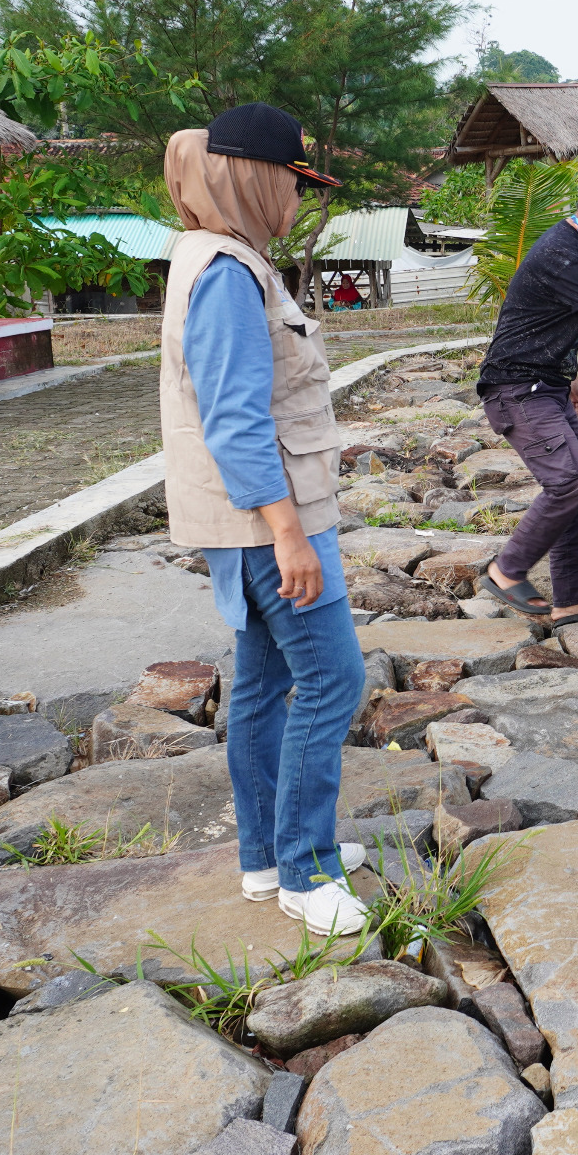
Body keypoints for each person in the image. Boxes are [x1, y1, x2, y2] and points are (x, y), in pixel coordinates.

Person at [161, 103, 372, 939]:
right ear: (255, 176)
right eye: (291, 179)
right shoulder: (225, 273)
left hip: (264, 514)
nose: (297, 196)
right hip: (267, 521)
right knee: (332, 679)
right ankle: (306, 870)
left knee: (260, 684)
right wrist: (289, 534)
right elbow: (236, 420)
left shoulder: (225, 258)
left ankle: (267, 857)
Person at [476, 158, 578, 629]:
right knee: (570, 483)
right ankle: (505, 569)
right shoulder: (563, 251)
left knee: (576, 490)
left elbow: (539, 318)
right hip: (517, 389)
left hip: (544, 384)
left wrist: (569, 375)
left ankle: (570, 599)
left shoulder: (575, 246)